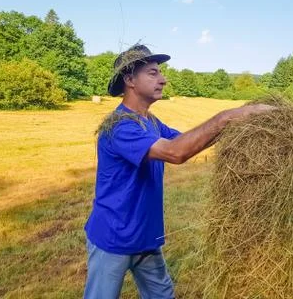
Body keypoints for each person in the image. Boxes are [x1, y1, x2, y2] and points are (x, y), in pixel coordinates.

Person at [84, 44, 272, 299]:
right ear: (129, 80)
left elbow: (188, 142)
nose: (163, 79)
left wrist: (241, 128)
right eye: (152, 73)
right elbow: (175, 152)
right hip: (113, 239)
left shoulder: (150, 122)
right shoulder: (119, 128)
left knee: (163, 295)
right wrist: (227, 117)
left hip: (145, 237)